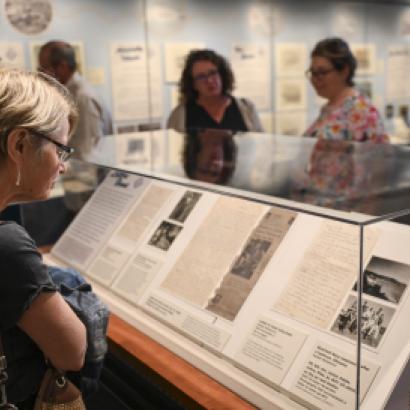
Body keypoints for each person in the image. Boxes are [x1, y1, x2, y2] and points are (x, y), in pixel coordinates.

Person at [0, 68, 86, 409]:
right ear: (19, 144)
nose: (62, 166)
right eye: (60, 150)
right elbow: (72, 350)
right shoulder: (7, 246)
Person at [38, 40, 113, 161]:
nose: (41, 74)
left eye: (44, 68)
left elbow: (87, 151)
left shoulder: (82, 97)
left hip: (86, 173)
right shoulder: (69, 93)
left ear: (62, 67)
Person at [304, 37, 388, 143]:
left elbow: (380, 156)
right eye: (313, 72)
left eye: (322, 72)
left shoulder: (361, 110)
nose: (315, 79)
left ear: (344, 71)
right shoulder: (329, 108)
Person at [167, 49, 263, 133]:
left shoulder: (246, 109)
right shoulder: (180, 115)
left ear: (222, 75)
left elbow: (260, 145)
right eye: (201, 77)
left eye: (212, 73)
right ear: (193, 84)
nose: (209, 81)